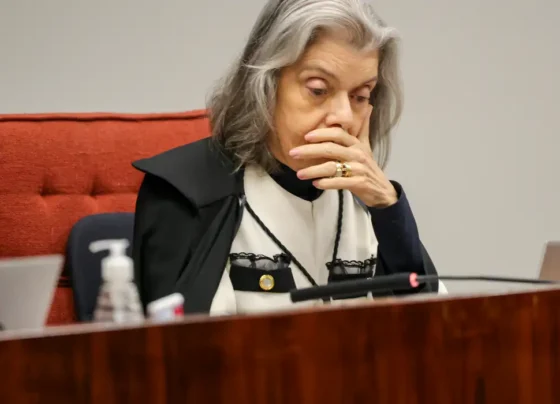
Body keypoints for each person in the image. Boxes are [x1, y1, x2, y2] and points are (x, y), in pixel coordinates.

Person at [132, 0, 442, 316]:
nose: (344, 117)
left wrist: (389, 210)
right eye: (318, 90)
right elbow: (191, 340)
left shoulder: (368, 199)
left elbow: (432, 329)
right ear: (265, 85)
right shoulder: (185, 194)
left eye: (360, 96)